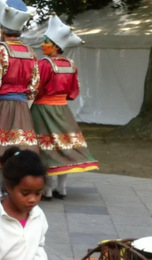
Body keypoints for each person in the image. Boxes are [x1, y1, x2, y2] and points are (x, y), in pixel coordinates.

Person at [0, 0, 40, 204]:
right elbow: (34, 86)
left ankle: (0, 193)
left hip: (1, 104)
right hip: (22, 107)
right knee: (19, 150)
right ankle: (10, 191)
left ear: (3, 29)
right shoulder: (30, 53)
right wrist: (25, 104)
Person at [32, 15, 99, 201]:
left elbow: (34, 88)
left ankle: (47, 188)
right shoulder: (71, 65)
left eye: (46, 42)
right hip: (63, 110)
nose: (42, 44)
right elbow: (73, 91)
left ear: (55, 45)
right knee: (64, 145)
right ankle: (62, 187)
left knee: (46, 147)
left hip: (43, 109)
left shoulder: (43, 64)